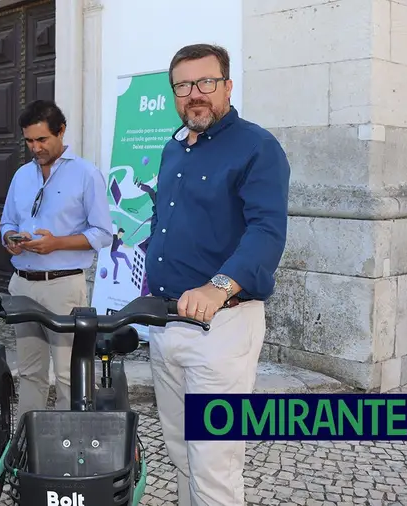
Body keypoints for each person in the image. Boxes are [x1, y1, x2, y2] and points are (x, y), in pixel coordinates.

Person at [144, 43, 290, 506]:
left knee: (214, 467)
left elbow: (267, 232)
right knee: (182, 454)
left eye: (206, 82)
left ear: (227, 85)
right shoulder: (173, 147)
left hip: (221, 329)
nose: (195, 94)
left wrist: (217, 287)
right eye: (183, 86)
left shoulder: (257, 146)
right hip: (165, 325)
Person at [0, 99, 113, 416]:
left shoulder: (87, 174)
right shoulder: (22, 175)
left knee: (67, 374)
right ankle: (26, 439)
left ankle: (68, 443)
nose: (35, 148)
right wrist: (10, 239)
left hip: (63, 288)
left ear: (61, 131)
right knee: (29, 371)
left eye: (42, 140)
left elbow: (103, 233)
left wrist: (57, 243)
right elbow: (7, 222)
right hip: (22, 286)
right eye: (29, 141)